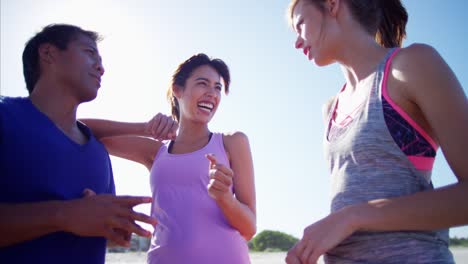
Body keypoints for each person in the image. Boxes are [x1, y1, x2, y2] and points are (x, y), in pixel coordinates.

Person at [285, 0, 468, 263]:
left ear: (332, 5)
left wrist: (354, 217)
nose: (297, 42)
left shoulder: (410, 66)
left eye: (300, 24)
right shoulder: (331, 108)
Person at [0, 24, 159, 264]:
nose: (101, 68)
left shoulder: (97, 150)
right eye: (89, 53)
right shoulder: (5, 117)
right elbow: (72, 217)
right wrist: (63, 215)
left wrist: (116, 227)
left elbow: (103, 232)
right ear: (48, 53)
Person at [81, 53, 256, 263]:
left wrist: (225, 198)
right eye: (203, 84)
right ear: (177, 89)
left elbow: (250, 227)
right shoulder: (156, 152)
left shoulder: (232, 142)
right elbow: (82, 129)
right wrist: (144, 128)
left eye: (217, 88)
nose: (212, 94)